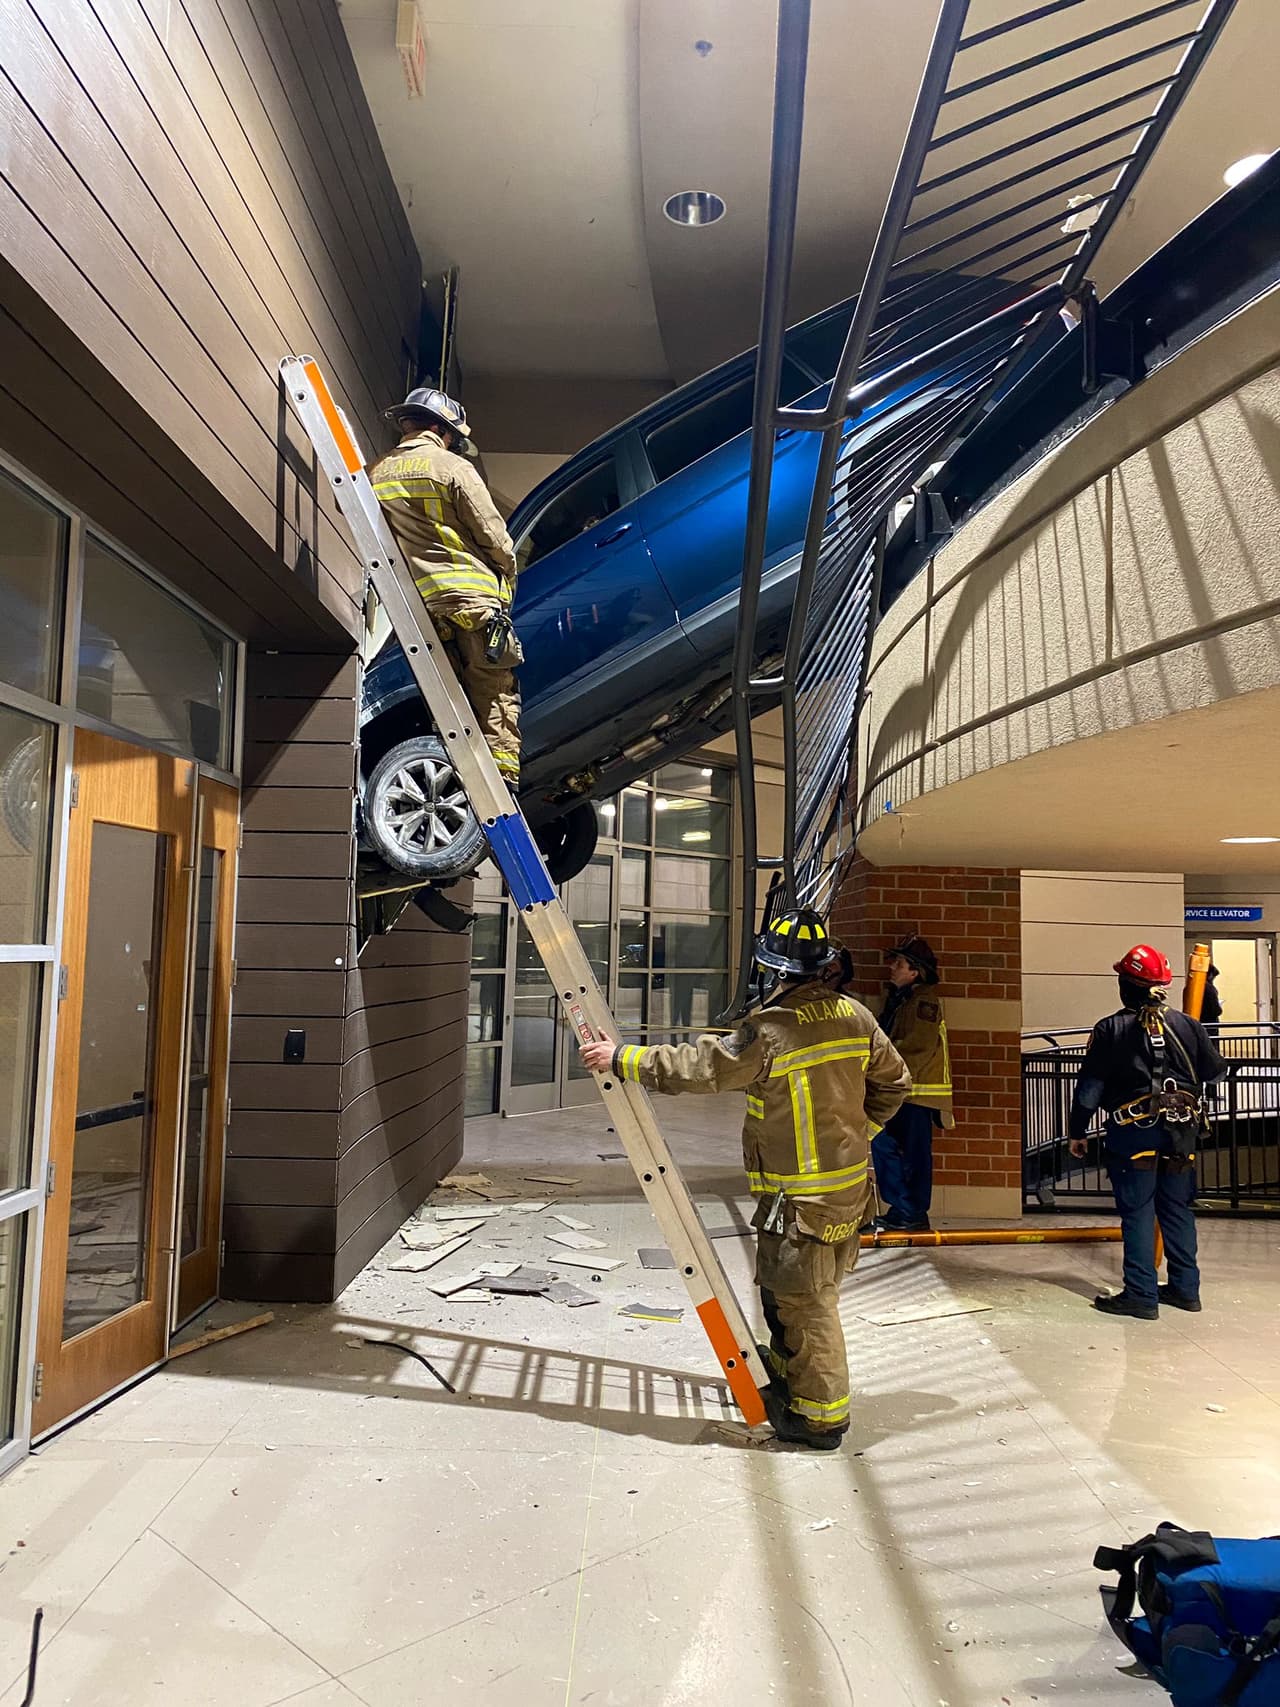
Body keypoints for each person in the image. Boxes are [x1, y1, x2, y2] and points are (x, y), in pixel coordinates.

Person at [580, 908, 910, 1451]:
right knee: (792, 1295)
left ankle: (821, 1420)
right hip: (848, 1193)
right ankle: (791, 1381)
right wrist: (859, 1133)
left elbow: (700, 1066)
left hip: (801, 1201)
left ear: (774, 968)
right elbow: (895, 1083)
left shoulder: (772, 1029)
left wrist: (622, 1057)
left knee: (809, 1304)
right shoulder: (856, 1016)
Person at [369, 387, 523, 782]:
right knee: (494, 694)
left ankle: (455, 784)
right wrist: (507, 574)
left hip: (423, 609)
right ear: (441, 429)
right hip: (473, 601)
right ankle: (502, 785)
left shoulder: (376, 474)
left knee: (449, 703)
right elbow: (492, 534)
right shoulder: (453, 468)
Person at [1068, 944, 1227, 1319]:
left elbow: (1090, 1085)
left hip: (1134, 1133)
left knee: (1138, 1211)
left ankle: (1140, 1294)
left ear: (1126, 984)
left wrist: (1077, 1130)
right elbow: (1215, 1071)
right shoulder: (1188, 1025)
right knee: (1176, 1209)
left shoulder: (1111, 1029)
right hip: (1182, 1132)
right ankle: (1186, 1290)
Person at [827, 935, 953, 1232]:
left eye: (899, 962)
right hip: (900, 1093)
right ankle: (901, 1210)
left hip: (914, 1095)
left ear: (915, 971)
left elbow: (914, 1049)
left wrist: (877, 1073)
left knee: (911, 1155)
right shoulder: (902, 999)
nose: (891, 966)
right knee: (886, 1146)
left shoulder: (923, 1002)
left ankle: (911, 1213)